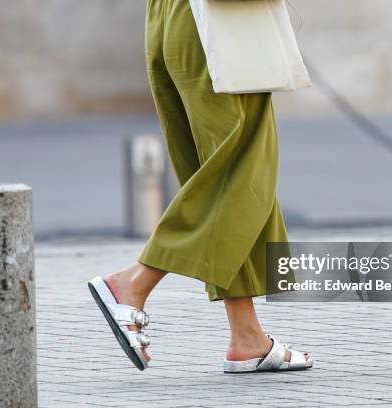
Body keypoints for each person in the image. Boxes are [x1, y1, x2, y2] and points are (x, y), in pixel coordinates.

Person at [88, 0, 313, 373]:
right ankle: (134, 282)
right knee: (243, 174)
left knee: (222, 174)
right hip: (217, 26)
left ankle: (247, 337)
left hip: (172, 20)